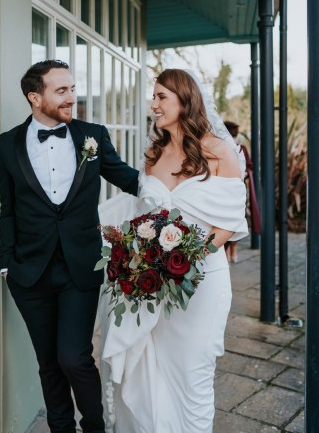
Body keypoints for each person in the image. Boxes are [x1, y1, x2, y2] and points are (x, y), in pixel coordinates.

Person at [0, 59, 139, 433]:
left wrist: (180, 193)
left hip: (80, 266)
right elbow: (7, 209)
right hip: (28, 272)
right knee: (48, 362)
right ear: (35, 97)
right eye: (62, 91)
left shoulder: (92, 135)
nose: (72, 97)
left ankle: (93, 426)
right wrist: (7, 263)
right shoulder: (5, 146)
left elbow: (127, 178)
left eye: (73, 89)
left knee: (74, 357)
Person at [101, 69, 248, 433]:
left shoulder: (218, 151)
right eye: (153, 97)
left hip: (201, 282)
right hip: (155, 288)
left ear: (185, 99)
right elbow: (144, 217)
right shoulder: (154, 154)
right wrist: (141, 258)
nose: (153, 105)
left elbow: (227, 224)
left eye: (161, 96)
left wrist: (183, 261)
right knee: (157, 370)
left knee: (194, 373)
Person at [223, 121, 261, 263]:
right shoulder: (233, 147)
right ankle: (230, 251)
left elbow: (248, 167)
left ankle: (231, 251)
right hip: (232, 189)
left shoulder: (238, 148)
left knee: (232, 219)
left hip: (233, 189)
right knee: (233, 218)